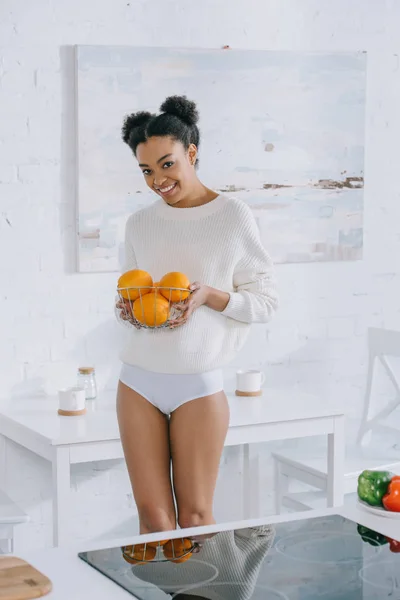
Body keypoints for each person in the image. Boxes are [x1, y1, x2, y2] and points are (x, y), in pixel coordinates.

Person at [115, 95, 278, 536]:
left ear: (191, 152)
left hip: (197, 385)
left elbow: (265, 302)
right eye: (147, 170)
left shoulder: (232, 216)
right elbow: (136, 294)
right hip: (137, 381)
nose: (157, 180)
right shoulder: (139, 224)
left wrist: (210, 296)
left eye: (167, 165)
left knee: (194, 519)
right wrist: (126, 311)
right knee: (154, 520)